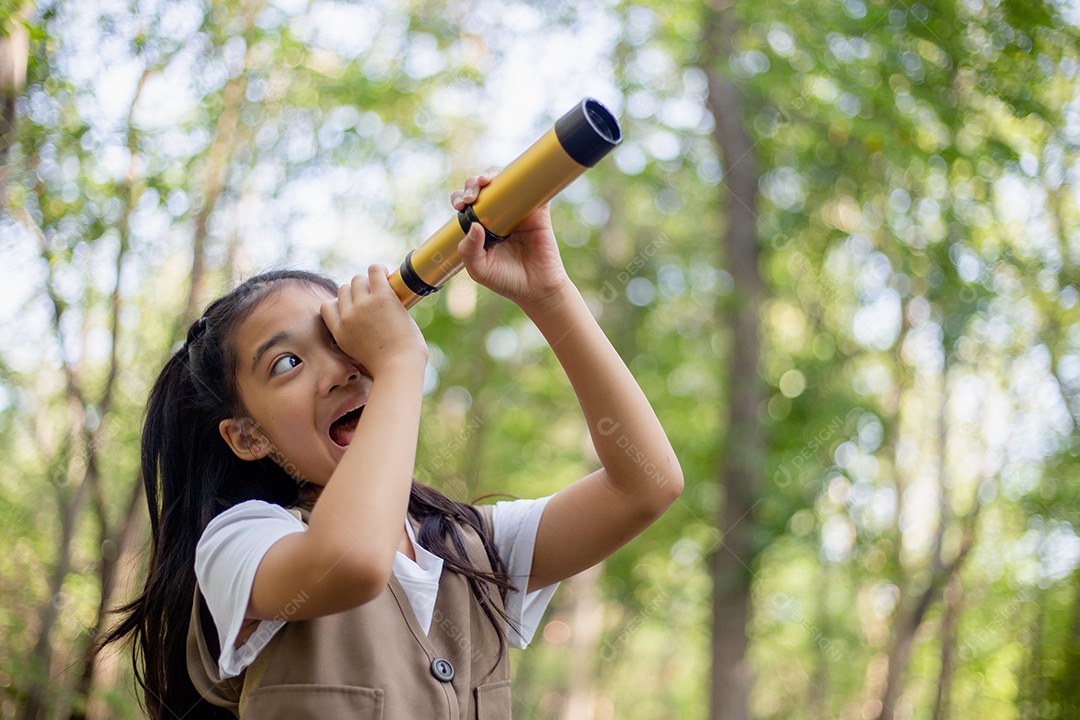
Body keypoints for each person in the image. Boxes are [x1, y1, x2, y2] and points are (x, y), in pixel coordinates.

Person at [102, 170, 683, 719]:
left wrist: (548, 293)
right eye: (287, 362)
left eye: (340, 338)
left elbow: (647, 484)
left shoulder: (471, 551)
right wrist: (400, 360)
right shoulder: (240, 543)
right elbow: (352, 561)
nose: (340, 371)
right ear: (247, 436)